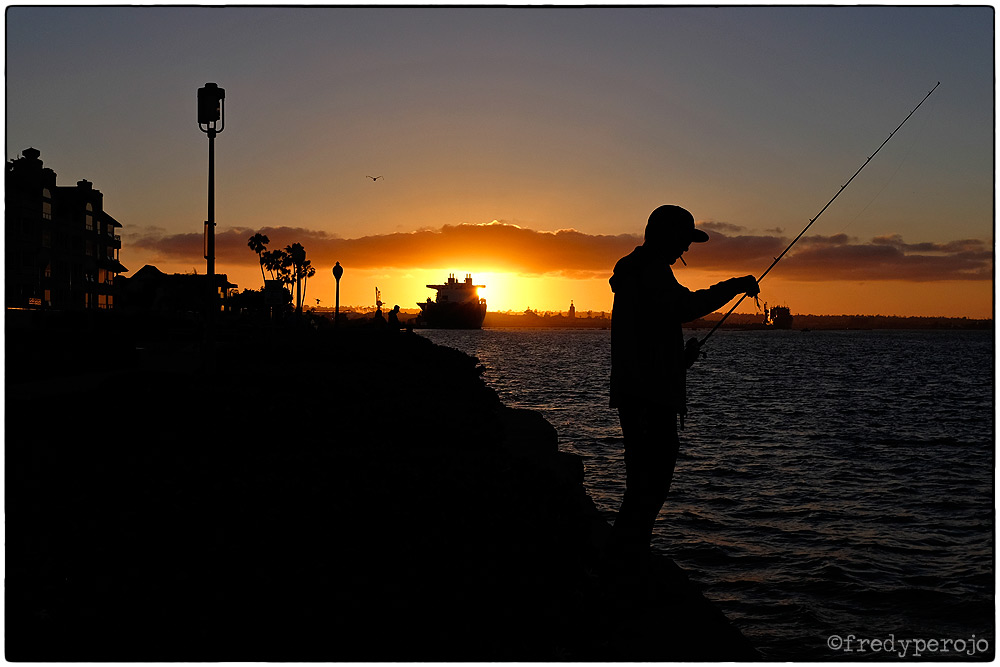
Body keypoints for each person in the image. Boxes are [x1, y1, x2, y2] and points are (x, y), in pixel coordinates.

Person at [607, 204, 759, 574]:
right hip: (647, 398)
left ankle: (626, 558)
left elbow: (650, 333)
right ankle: (624, 563)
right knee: (649, 484)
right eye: (683, 239)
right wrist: (735, 285)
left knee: (644, 483)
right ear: (664, 235)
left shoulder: (641, 269)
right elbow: (685, 306)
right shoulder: (649, 269)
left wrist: (679, 360)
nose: (686, 248)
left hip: (643, 393)